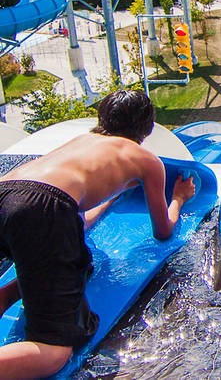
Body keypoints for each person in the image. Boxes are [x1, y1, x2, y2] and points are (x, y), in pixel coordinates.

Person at [0, 90, 195, 379]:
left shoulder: (80, 143)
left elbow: (71, 216)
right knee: (54, 352)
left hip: (7, 193)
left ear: (101, 119)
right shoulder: (147, 160)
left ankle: (5, 296)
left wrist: (109, 198)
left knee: (80, 263)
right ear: (148, 127)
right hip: (40, 210)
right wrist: (178, 197)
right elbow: (163, 231)